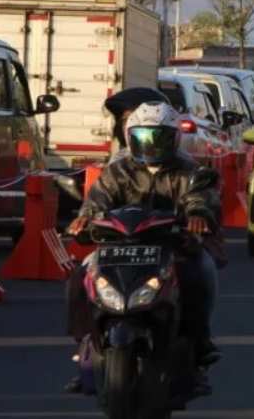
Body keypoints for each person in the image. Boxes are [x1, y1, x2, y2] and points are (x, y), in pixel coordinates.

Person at [64, 102, 224, 393]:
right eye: (143, 138)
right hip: (119, 246)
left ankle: (200, 345)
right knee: (79, 278)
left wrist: (198, 216)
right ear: (129, 137)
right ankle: (87, 346)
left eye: (158, 138)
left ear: (174, 139)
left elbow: (199, 197)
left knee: (201, 272)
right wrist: (85, 218)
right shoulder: (118, 171)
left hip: (172, 246)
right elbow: (98, 200)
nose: (150, 146)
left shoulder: (189, 171)